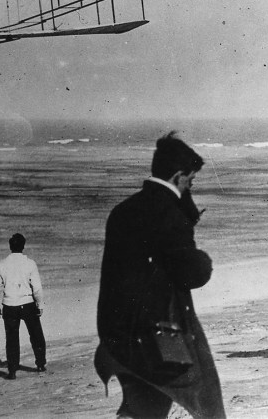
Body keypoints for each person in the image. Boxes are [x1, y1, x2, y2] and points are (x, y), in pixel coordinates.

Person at [95, 132, 225, 419]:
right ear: (179, 176)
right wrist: (203, 260)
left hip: (118, 335)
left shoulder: (122, 211)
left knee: (143, 406)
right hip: (161, 336)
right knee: (207, 400)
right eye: (190, 180)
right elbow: (192, 274)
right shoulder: (171, 214)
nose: (191, 186)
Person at [0, 233, 47, 379]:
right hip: (28, 304)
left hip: (9, 305)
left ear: (10, 246)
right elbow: (37, 288)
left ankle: (12, 370)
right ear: (23, 246)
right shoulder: (30, 263)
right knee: (36, 336)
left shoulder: (2, 264)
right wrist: (40, 304)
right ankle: (40, 364)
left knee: (11, 339)